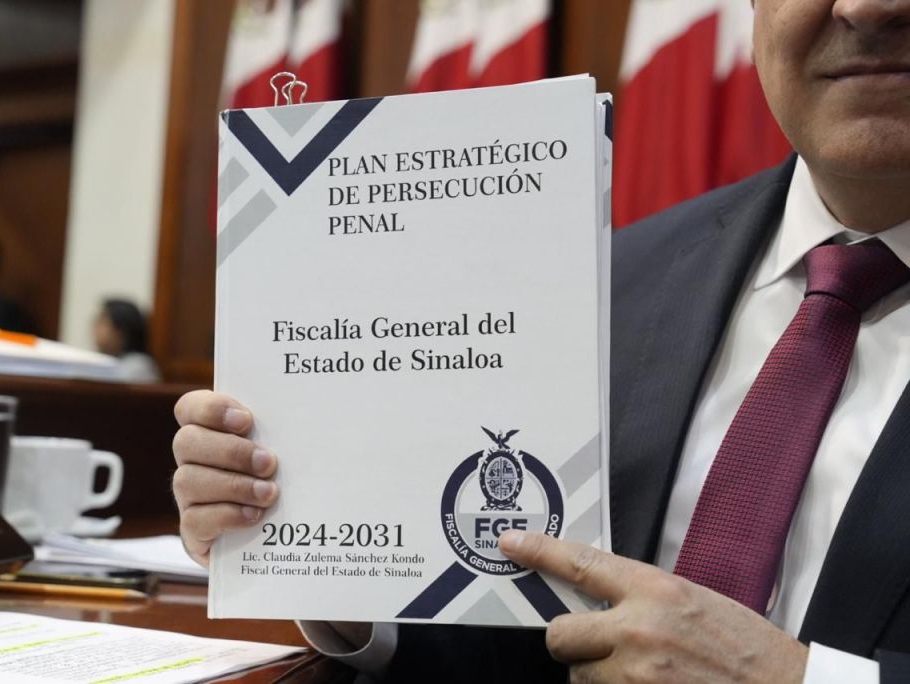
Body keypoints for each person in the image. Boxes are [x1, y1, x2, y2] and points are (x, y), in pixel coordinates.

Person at [171, 0, 910, 681]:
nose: (867, 6)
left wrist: (797, 679)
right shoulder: (615, 276)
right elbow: (528, 636)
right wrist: (317, 549)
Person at [93, 298, 161, 383]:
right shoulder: (100, 360)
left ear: (121, 330)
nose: (95, 326)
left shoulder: (138, 366)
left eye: (102, 321)